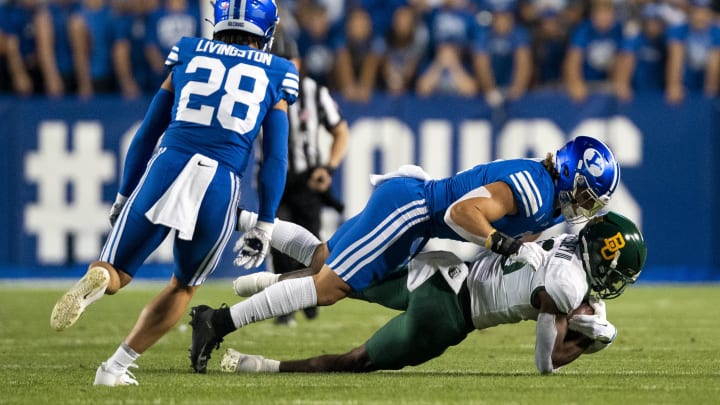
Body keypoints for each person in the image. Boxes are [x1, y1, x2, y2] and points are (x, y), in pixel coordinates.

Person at [189, 135, 621, 373]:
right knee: (329, 288)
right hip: (412, 213)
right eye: (585, 193)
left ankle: (239, 217)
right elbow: (460, 213)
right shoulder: (534, 187)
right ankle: (217, 322)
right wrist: (504, 244)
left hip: (414, 214)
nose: (583, 204)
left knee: (322, 260)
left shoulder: (546, 198)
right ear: (568, 172)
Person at [49, 0, 298, 387]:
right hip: (219, 180)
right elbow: (277, 158)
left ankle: (99, 278)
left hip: (168, 164)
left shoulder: (188, 50)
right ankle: (114, 367)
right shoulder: (278, 71)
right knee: (183, 285)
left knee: (115, 270)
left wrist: (123, 194)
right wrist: (265, 222)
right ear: (265, 28)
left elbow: (147, 132)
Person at [218, 211, 646, 374]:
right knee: (357, 360)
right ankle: (259, 367)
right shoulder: (567, 285)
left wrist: (588, 317)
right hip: (446, 316)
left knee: (335, 272)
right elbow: (545, 362)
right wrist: (594, 342)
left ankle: (251, 235)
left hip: (441, 270)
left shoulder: (566, 241)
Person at [268, 31, 350, 326]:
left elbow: (341, 131)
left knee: (311, 248)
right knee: (278, 242)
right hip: (273, 181)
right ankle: (285, 306)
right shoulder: (258, 89)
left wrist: (328, 168)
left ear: (299, 63)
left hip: (306, 183)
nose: (283, 67)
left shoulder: (314, 92)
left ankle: (309, 295)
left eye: (287, 61)